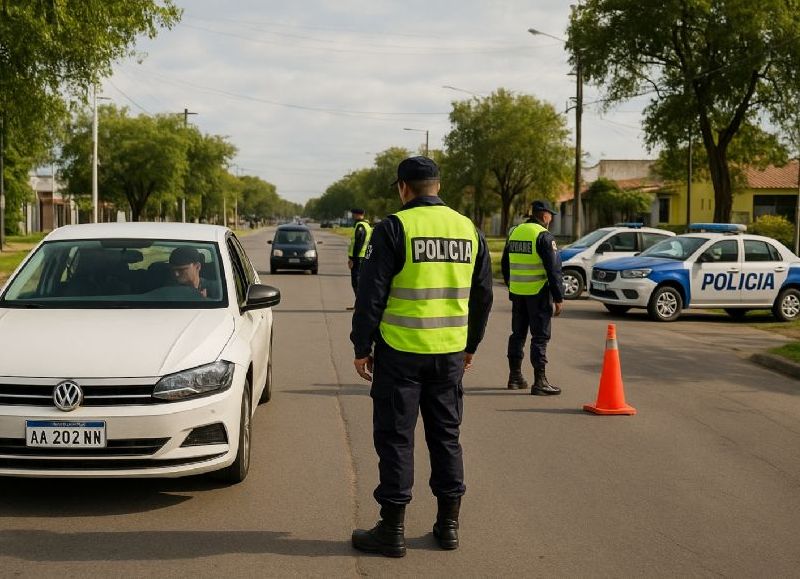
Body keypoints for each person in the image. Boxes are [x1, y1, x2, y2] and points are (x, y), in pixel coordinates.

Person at [350, 156, 493, 557]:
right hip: (448, 355)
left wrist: (362, 347)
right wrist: (471, 345)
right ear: (438, 185)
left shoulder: (394, 227)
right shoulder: (468, 229)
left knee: (396, 441)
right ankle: (448, 527)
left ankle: (391, 531)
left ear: (403, 188)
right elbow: (483, 296)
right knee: (446, 438)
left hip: (400, 354)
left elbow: (371, 294)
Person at [501, 200, 564, 394]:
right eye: (550, 215)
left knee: (517, 334)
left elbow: (505, 264)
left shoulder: (515, 232)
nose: (551, 219)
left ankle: (515, 377)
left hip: (518, 293)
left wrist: (512, 285)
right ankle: (540, 382)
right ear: (544, 215)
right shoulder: (543, 236)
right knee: (540, 337)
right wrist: (559, 297)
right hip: (538, 293)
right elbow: (554, 270)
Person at [347, 208, 373, 298]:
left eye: (354, 214)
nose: (353, 216)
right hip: (364, 257)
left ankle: (359, 304)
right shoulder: (367, 225)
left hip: (358, 258)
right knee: (361, 282)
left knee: (356, 282)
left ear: (358, 214)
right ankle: (358, 304)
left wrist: (352, 259)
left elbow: (358, 244)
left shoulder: (360, 226)